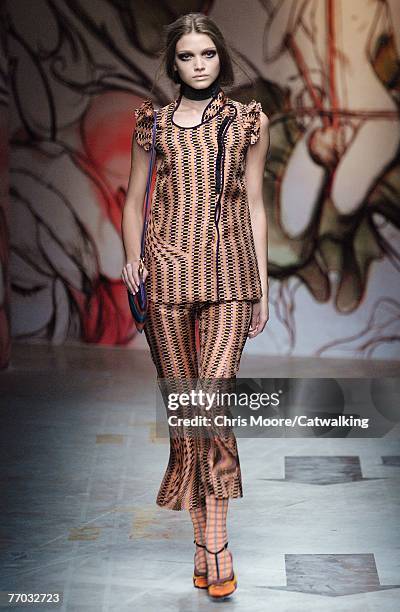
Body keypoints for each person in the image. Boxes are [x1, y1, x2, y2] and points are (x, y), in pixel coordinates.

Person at [121, 12, 269, 600]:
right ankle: (207, 543)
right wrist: (131, 256)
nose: (199, 65)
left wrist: (262, 280)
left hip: (231, 277)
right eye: (187, 56)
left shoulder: (247, 122)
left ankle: (215, 542)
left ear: (220, 57)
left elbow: (255, 205)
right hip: (165, 279)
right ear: (174, 62)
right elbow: (134, 200)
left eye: (208, 54)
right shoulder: (151, 125)